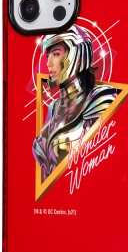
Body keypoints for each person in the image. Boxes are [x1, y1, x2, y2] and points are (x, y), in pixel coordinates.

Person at [32, 25, 116, 180]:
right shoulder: (53, 108)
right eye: (48, 56)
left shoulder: (100, 99)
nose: (49, 63)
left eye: (56, 54)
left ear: (76, 55)